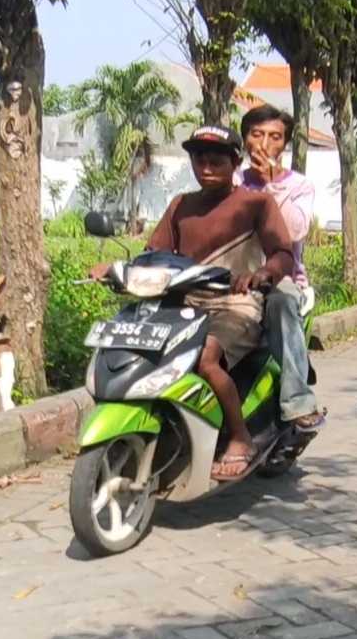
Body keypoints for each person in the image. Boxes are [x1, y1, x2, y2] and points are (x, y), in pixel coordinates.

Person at [91, 125, 297, 481]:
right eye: (199, 160)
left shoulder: (257, 204)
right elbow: (153, 255)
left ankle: (240, 438)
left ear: (235, 163)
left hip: (235, 303)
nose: (206, 167)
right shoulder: (180, 205)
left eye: (216, 160)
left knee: (205, 359)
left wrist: (263, 273)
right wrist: (114, 268)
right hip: (181, 303)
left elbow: (283, 254)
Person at [237, 105, 325, 432]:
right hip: (232, 275)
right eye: (257, 134)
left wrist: (270, 185)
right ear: (245, 140)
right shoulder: (232, 181)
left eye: (274, 137)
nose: (264, 143)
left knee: (282, 303)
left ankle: (298, 401)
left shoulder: (299, 186)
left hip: (281, 278)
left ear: (284, 145)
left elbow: (295, 230)